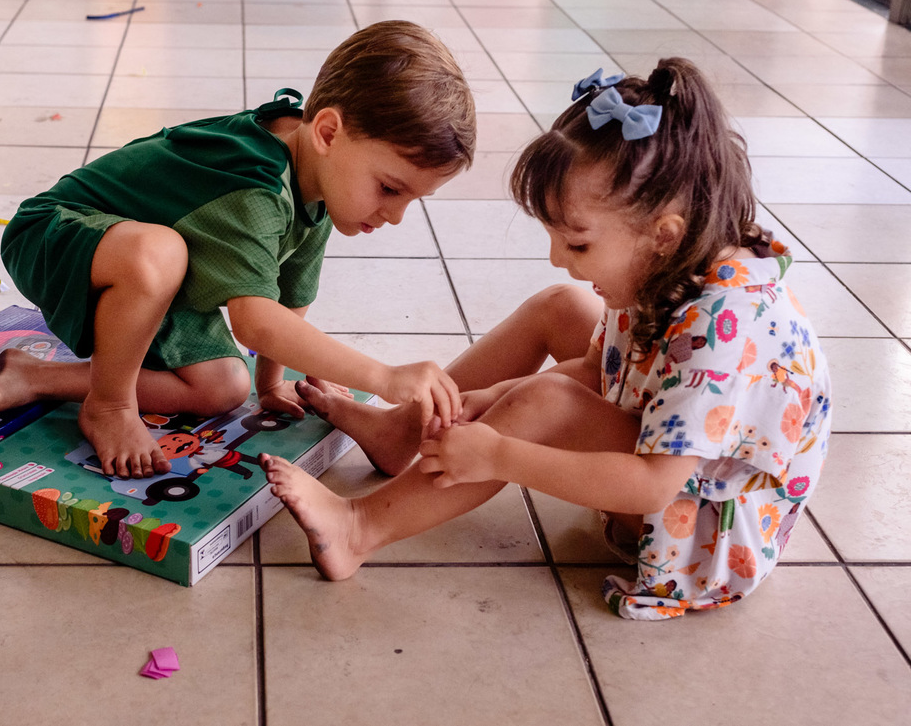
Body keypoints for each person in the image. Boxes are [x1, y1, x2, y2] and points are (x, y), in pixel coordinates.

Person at [261, 59, 832, 621]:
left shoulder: (723, 330)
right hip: (673, 460)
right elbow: (596, 369)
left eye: (577, 244)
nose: (558, 258)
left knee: (543, 405)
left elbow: (652, 488)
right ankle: (399, 432)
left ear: (663, 236)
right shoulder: (675, 262)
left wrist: (500, 451)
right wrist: (491, 399)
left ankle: (359, 528)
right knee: (559, 310)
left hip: (700, 534)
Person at [0, 20, 475, 481]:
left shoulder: (319, 177)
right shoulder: (256, 187)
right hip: (58, 234)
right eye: (389, 188)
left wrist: (270, 385)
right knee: (159, 252)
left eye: (412, 198)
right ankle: (110, 406)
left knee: (223, 388)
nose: (395, 214)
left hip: (152, 273)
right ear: (328, 132)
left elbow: (286, 301)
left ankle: (36, 376)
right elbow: (256, 323)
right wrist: (383, 376)